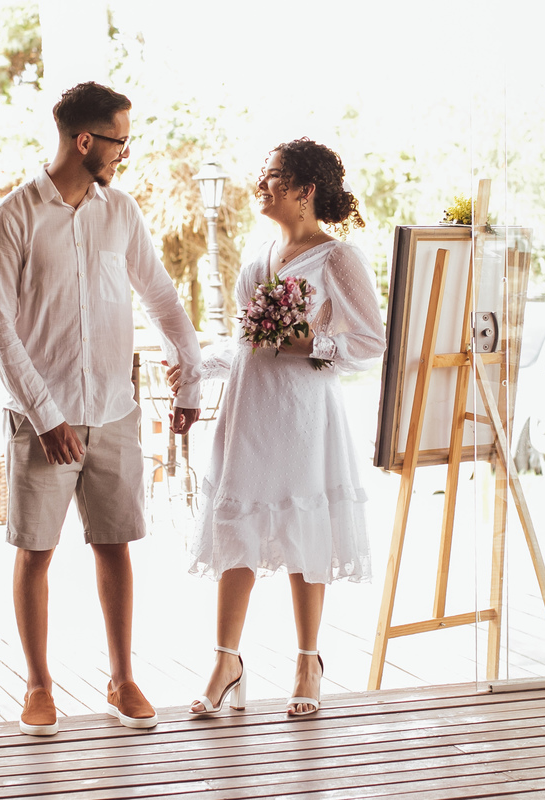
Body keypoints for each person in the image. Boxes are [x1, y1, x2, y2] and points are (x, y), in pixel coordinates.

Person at [0, 81, 204, 736]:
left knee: (115, 545)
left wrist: (188, 382)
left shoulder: (121, 214)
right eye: (120, 141)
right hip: (39, 417)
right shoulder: (12, 217)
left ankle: (122, 677)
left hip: (113, 410)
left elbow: (161, 297)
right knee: (36, 549)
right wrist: (44, 414)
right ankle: (39, 685)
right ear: (86, 141)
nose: (125, 153)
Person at [168, 138, 386, 718]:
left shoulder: (338, 259)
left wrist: (308, 342)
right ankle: (225, 660)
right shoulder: (258, 255)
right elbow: (245, 345)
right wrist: (194, 366)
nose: (259, 185)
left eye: (270, 177)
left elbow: (370, 342)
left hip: (303, 413)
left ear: (304, 190)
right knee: (236, 525)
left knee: (300, 529)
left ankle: (308, 660)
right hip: (249, 409)